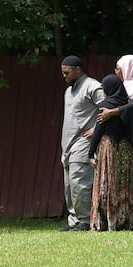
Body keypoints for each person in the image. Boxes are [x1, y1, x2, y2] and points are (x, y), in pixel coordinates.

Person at [97, 55, 133, 230]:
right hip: (130, 141)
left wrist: (114, 112)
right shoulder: (123, 88)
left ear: (128, 69)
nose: (116, 72)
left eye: (118, 68)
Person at [59, 55, 104, 232]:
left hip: (83, 142)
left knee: (79, 182)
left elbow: (106, 109)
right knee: (69, 185)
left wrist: (95, 129)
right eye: (62, 73)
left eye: (67, 73)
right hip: (67, 144)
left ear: (78, 69)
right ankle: (74, 222)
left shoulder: (92, 86)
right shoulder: (68, 91)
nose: (64, 76)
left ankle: (85, 220)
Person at [89, 74, 133, 231]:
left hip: (109, 148)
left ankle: (106, 221)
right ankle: (124, 220)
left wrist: (90, 152)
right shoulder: (128, 105)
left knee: (107, 183)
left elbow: (98, 131)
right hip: (126, 149)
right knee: (124, 184)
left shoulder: (105, 105)